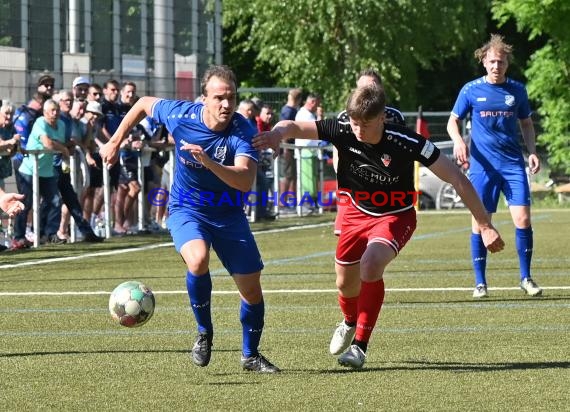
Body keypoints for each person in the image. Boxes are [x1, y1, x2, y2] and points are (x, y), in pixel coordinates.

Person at [253, 84, 504, 369]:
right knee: (345, 284)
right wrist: (276, 133)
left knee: (371, 265)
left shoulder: (406, 140)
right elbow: (293, 127)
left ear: (382, 117)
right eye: (355, 122)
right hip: (355, 215)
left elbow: (457, 178)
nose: (358, 130)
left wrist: (484, 224)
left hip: (395, 215)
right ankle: (349, 321)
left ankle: (360, 346)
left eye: (366, 123)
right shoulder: (343, 129)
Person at [100, 64, 280, 373]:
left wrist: (208, 162)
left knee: (251, 289)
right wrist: (115, 141)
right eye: (219, 98)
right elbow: (143, 104)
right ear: (204, 98)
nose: (226, 105)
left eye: (232, 98)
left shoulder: (243, 131)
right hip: (186, 208)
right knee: (197, 260)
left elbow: (244, 181)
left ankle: (250, 356)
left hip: (228, 213)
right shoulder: (181, 114)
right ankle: (203, 333)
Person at [447, 34, 542, 299]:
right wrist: (457, 142)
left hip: (512, 165)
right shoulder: (471, 90)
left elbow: (526, 123)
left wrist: (532, 152)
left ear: (507, 63)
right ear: (484, 62)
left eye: (500, 62)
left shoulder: (517, 91)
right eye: (491, 61)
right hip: (482, 167)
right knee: (480, 223)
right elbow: (452, 121)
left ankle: (526, 278)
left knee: (523, 220)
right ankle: (480, 283)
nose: (496, 66)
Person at [334, 69, 406, 235]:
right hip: (354, 185)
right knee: (347, 235)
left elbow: (403, 151)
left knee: (380, 236)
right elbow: (337, 149)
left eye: (371, 86)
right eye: (362, 87)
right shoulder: (345, 117)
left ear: (380, 89)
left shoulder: (394, 116)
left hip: (383, 186)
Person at [13, 99, 69, 248]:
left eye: (57, 110)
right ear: (44, 113)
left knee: (54, 201)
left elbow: (57, 142)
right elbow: (48, 144)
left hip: (47, 169)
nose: (55, 113)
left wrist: (63, 148)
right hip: (30, 169)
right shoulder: (40, 123)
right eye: (52, 110)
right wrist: (63, 149)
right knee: (26, 203)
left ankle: (49, 233)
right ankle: (18, 237)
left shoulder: (61, 125)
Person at [279, 88, 302, 201]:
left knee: (292, 175)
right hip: (287, 148)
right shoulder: (288, 111)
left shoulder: (289, 110)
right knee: (287, 175)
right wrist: (286, 149)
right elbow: (283, 129)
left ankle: (292, 200)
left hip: (292, 147)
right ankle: (282, 202)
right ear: (298, 99)